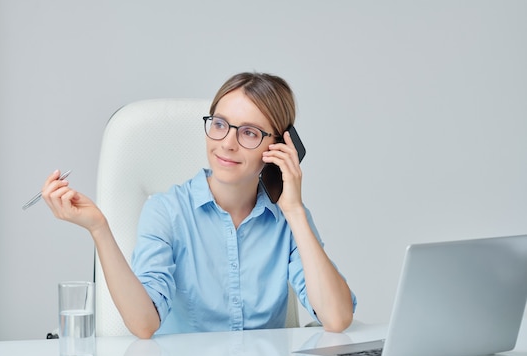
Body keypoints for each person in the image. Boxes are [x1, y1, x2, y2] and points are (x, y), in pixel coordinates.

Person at [42, 72, 356, 339]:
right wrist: (99, 228)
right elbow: (143, 324)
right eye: (220, 124)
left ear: (277, 147)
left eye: (249, 132)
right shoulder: (167, 211)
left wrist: (295, 211)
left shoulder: (287, 217)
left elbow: (337, 318)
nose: (227, 143)